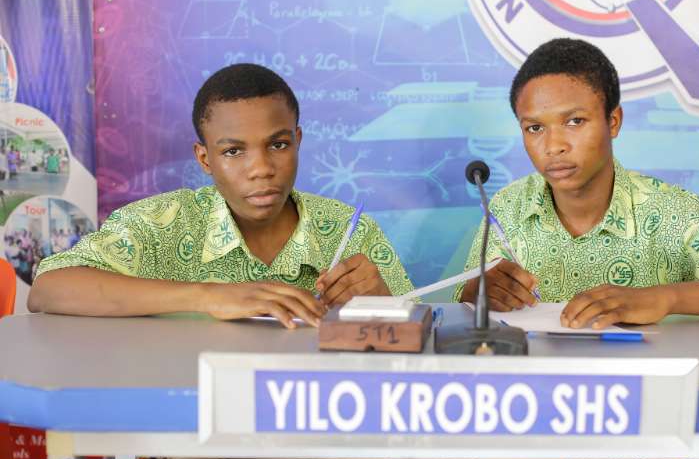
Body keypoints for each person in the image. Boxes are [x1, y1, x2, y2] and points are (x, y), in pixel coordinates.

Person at [29, 64, 414, 328]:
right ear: (205, 159)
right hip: (191, 413)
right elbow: (49, 288)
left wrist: (383, 302)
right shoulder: (161, 224)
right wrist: (208, 296)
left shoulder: (349, 230)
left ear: (297, 141)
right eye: (233, 151)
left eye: (278, 145)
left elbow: (421, 331)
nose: (260, 168)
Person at [456, 38, 699, 328]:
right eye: (534, 128)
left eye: (575, 121)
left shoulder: (669, 211)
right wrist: (479, 291)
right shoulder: (507, 207)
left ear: (613, 121)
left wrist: (665, 298)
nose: (553, 145)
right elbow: (467, 299)